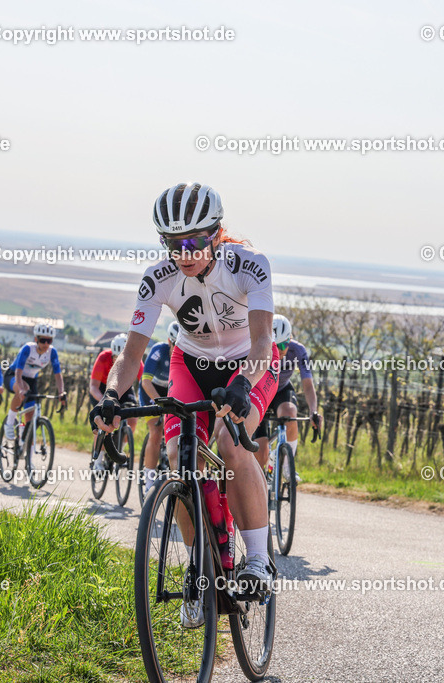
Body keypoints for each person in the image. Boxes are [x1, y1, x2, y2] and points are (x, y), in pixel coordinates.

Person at [90, 182, 280, 628]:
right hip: (190, 362)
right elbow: (130, 356)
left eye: (194, 241)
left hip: (248, 364)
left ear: (215, 233)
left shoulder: (249, 266)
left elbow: (262, 342)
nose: (185, 252)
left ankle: (257, 560)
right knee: (179, 458)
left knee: (233, 446)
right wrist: (113, 399)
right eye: (173, 243)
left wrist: (243, 385)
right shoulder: (158, 278)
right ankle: (201, 571)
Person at [254, 315, 322, 474]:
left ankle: (286, 468)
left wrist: (314, 411)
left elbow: (308, 384)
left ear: (290, 339)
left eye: (285, 344)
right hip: (262, 391)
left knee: (290, 413)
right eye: (276, 346)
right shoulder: (260, 348)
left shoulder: (298, 350)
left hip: (282, 390)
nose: (281, 349)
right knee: (261, 453)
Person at [1, 323, 66, 441]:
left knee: (30, 422)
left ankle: (24, 443)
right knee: (24, 389)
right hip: (13, 376)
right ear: (36, 339)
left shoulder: (52, 352)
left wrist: (62, 392)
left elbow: (58, 374)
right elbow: (18, 372)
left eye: (49, 341)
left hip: (31, 380)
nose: (46, 344)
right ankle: (9, 423)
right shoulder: (28, 348)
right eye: (43, 340)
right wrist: (20, 389)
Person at [89, 333, 143, 470]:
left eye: (122, 359)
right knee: (103, 422)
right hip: (102, 389)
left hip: (123, 388)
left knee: (133, 418)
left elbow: (144, 383)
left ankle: (121, 450)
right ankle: (98, 461)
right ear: (111, 354)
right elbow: (93, 387)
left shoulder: (134, 360)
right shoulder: (103, 358)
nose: (119, 363)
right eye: (115, 358)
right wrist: (103, 401)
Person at [138, 321, 178, 493]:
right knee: (156, 431)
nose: (178, 350)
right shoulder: (159, 351)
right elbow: (146, 381)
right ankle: (148, 481)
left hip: (170, 392)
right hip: (151, 391)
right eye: (175, 345)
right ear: (170, 341)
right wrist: (162, 405)